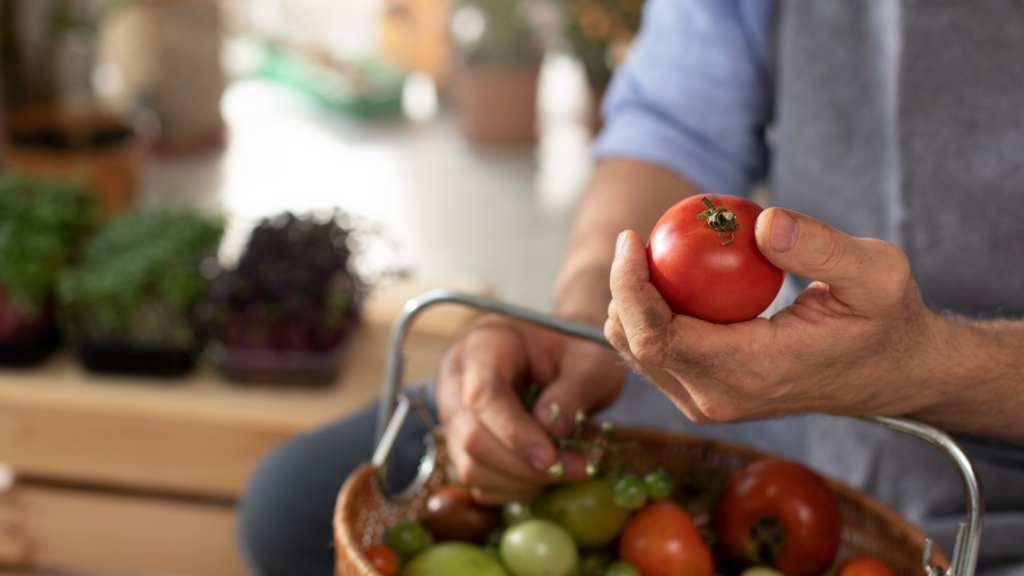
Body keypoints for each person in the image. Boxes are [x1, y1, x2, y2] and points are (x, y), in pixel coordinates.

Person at [238, 1, 1024, 575]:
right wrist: (587, 312)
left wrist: (931, 366)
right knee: (295, 503)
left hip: (999, 478)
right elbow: (674, 126)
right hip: (770, 395)